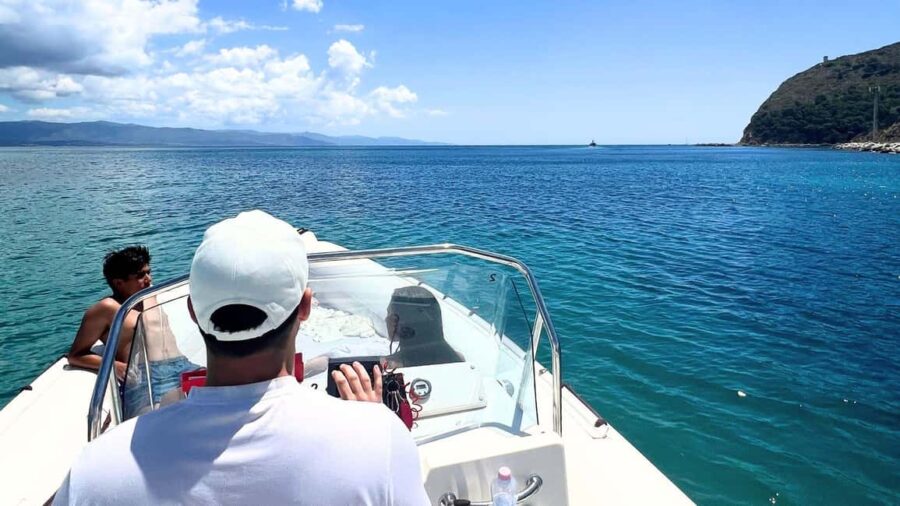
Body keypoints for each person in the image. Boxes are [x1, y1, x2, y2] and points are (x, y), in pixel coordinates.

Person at [54, 210, 430, 505]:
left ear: (193, 312)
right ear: (305, 307)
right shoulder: (377, 441)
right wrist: (372, 417)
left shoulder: (96, 468)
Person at [68, 246, 152, 381]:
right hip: (148, 376)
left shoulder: (151, 296)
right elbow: (75, 356)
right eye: (140, 275)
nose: (149, 279)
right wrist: (114, 365)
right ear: (119, 283)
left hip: (182, 366)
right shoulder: (107, 308)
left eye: (149, 272)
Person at [386, 285, 465, 368]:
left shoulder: (388, 366)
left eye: (389, 313)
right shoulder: (458, 359)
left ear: (397, 322)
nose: (386, 319)